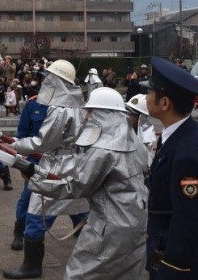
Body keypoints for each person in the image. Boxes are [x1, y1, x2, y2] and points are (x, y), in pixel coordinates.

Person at [15, 87, 149, 279]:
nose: (86, 115)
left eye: (90, 110)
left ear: (103, 114)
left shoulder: (104, 150)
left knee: (78, 274)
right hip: (136, 223)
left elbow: (74, 186)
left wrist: (35, 181)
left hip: (109, 227)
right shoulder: (135, 144)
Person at [3, 59, 89, 279]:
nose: (44, 81)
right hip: (74, 164)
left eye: (49, 77)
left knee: (36, 213)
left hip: (57, 166)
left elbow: (43, 143)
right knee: (81, 210)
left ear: (58, 81)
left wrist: (16, 144)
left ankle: (31, 266)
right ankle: (93, 253)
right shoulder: (77, 105)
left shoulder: (60, 110)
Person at [141, 56, 198, 279]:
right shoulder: (177, 137)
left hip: (182, 267)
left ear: (165, 103)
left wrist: (170, 268)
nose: (146, 97)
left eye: (150, 93)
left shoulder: (188, 153)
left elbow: (189, 220)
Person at [9, 82, 47, 251]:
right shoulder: (33, 104)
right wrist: (23, 158)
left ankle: (80, 223)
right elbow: (23, 132)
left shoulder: (69, 106)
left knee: (75, 195)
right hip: (36, 158)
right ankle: (20, 232)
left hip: (63, 159)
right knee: (28, 196)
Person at [125, 93, 157, 167]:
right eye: (126, 112)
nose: (127, 116)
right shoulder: (124, 126)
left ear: (141, 118)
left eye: (131, 114)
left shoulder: (148, 138)